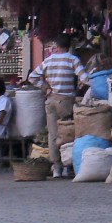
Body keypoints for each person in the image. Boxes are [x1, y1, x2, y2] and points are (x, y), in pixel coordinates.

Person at [28, 33, 88, 178]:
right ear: (70, 46)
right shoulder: (72, 59)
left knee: (53, 134)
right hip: (66, 101)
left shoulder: (48, 60)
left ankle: (56, 167)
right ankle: (67, 165)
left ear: (57, 46)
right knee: (68, 133)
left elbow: (32, 77)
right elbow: (85, 79)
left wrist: (45, 88)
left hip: (51, 100)